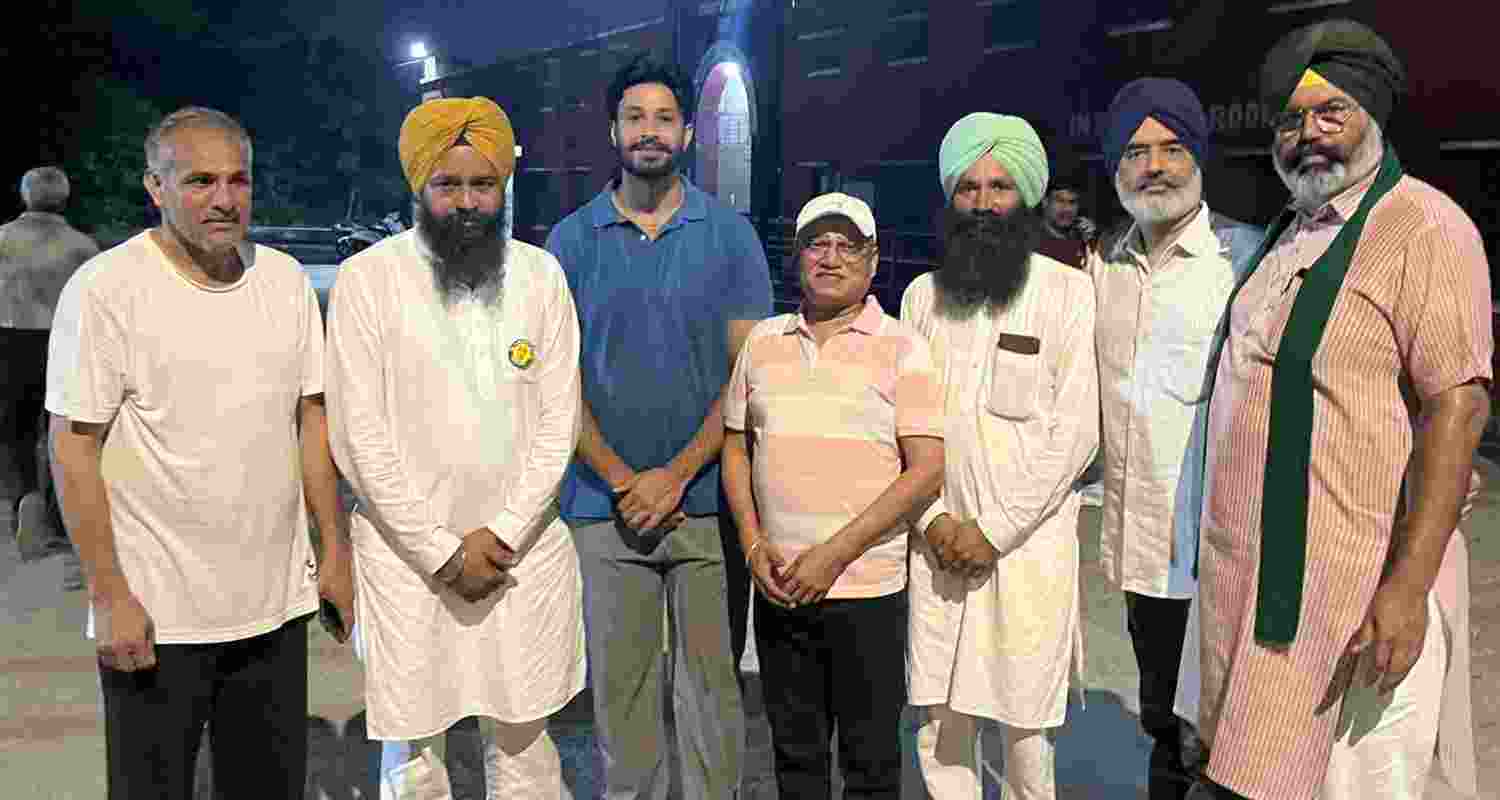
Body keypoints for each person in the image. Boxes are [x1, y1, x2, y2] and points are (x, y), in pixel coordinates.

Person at [1187, 20, 1489, 800]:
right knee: (1258, 774)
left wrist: (1406, 589)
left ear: (1376, 117)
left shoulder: (1425, 226)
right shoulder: (1288, 235)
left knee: (1356, 783)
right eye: (1291, 119)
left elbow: (1456, 408)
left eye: (1332, 112)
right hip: (1255, 587)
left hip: (1355, 591)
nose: (1307, 135)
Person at [47, 106, 351, 799]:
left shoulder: (283, 282)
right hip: (157, 614)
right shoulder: (105, 291)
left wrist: (333, 550)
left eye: (239, 181)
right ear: (155, 187)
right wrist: (109, 594)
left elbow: (310, 418)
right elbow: (73, 449)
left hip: (274, 608)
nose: (224, 199)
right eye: (200, 181)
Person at [325, 96, 585, 798]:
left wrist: (498, 534)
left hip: (519, 556)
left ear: (502, 187)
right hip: (408, 562)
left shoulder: (540, 276)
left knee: (527, 749)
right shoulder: (367, 281)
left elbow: (560, 420)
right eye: (448, 185)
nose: (466, 202)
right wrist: (440, 549)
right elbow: (357, 435)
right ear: (418, 186)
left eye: (482, 185)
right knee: (415, 759)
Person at [545, 53, 770, 799]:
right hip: (603, 510)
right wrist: (621, 479)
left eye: (664, 118)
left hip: (707, 506)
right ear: (613, 130)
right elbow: (557, 381)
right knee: (623, 694)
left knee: (711, 691)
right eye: (635, 117)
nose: (650, 132)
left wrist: (674, 476)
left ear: (687, 132)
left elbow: (746, 375)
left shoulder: (731, 236)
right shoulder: (572, 242)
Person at [902, 112, 1099, 800]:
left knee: (1024, 733)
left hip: (1026, 549)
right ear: (950, 198)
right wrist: (934, 523)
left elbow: (1076, 434)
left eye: (1001, 187)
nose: (984, 203)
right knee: (940, 724)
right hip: (936, 544)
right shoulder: (921, 299)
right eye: (969, 188)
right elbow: (904, 428)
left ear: (1030, 198)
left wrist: (993, 530)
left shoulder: (1070, 294)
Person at [722, 192, 944, 799]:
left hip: (866, 592)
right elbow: (737, 447)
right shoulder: (764, 343)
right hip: (780, 586)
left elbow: (925, 471)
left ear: (873, 262)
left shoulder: (905, 349)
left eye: (849, 246)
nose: (832, 257)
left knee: (870, 763)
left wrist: (835, 555)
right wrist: (751, 543)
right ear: (796, 257)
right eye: (818, 243)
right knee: (795, 757)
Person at [1087, 78, 1263, 800]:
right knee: (1162, 717)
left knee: (1231, 730)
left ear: (1200, 156)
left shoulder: (1246, 261)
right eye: (1134, 152)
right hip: (1143, 548)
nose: (1153, 166)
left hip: (1225, 544)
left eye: (1171, 148)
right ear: (1115, 168)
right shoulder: (1102, 269)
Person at [0, 165, 97, 585]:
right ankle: (60, 521)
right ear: (64, 198)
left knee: (16, 430)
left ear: (25, 196)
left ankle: (24, 502)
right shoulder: (82, 246)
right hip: (62, 344)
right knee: (62, 431)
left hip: (9, 340)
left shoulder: (3, 239)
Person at [1035, 170, 1095, 269]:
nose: (1067, 209)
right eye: (1060, 201)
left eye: (1072, 202)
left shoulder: (1083, 239)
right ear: (1045, 202)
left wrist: (1093, 244)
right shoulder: (1028, 240)